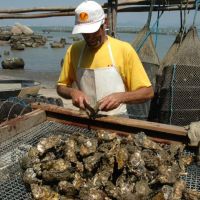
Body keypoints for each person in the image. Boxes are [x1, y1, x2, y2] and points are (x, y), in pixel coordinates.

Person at [57, 0, 154, 117]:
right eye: (85, 33)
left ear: (105, 24)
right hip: (85, 117)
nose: (90, 38)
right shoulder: (73, 50)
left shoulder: (124, 49)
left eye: (93, 31)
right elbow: (61, 87)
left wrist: (120, 97)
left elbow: (147, 92)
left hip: (117, 118)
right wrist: (72, 92)